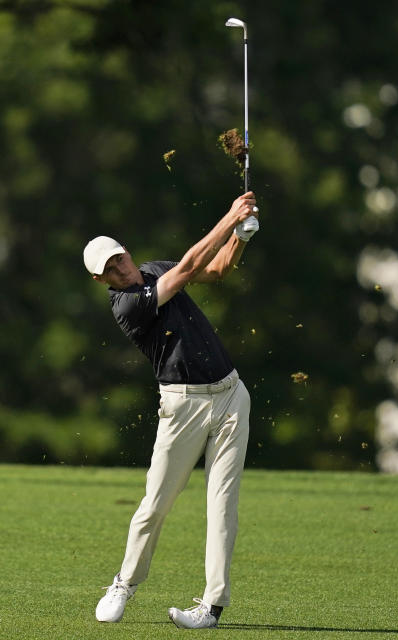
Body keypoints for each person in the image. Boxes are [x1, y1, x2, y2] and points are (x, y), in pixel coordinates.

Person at [84, 191, 260, 630]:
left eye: (119, 258)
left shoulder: (153, 268)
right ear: (100, 281)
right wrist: (230, 216)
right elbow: (185, 270)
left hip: (231, 393)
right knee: (155, 504)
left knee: (223, 505)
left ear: (126, 250)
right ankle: (125, 581)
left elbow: (215, 269)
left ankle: (212, 607)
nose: (119, 268)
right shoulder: (126, 305)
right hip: (184, 405)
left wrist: (240, 236)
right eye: (109, 269)